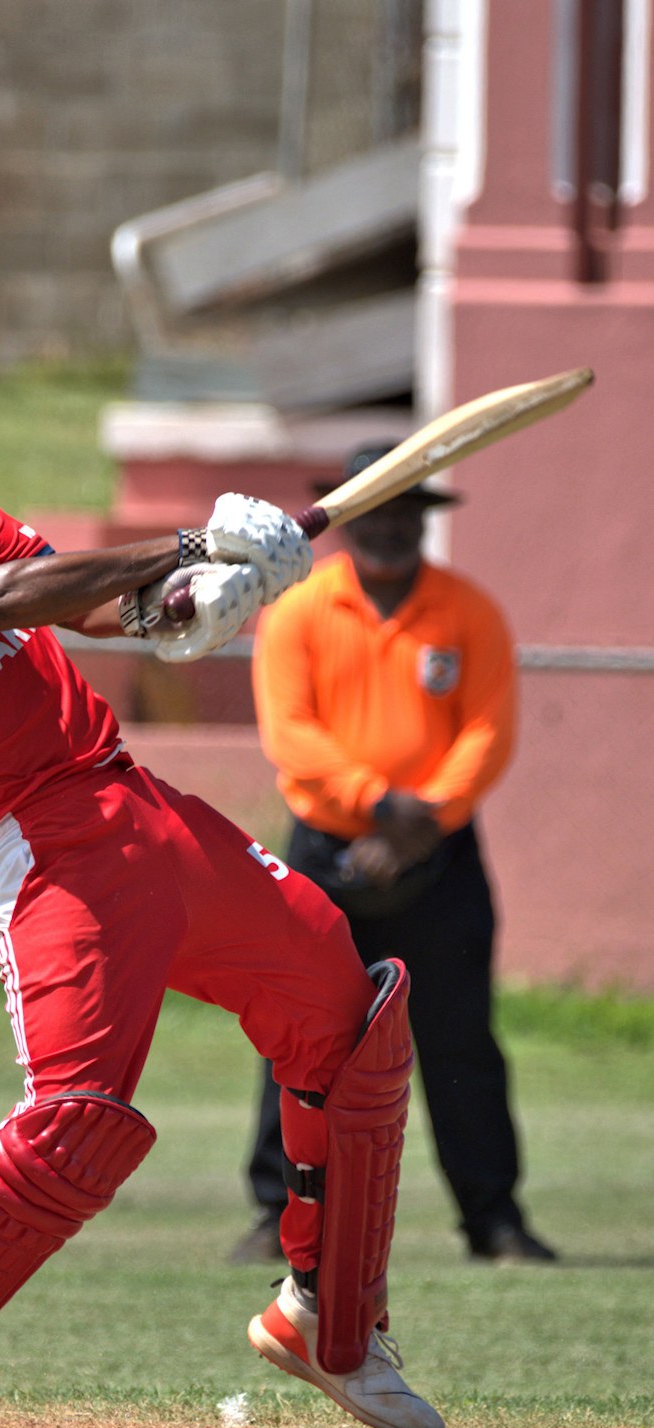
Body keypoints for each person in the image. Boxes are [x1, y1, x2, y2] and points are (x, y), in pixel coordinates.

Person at [0, 335, 446, 1428]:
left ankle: (332, 1325)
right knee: (73, 1121)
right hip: (29, 844)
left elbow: (76, 608)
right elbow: (3, 594)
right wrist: (185, 541)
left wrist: (189, 603)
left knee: (342, 1004)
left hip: (125, 796)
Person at [230, 444, 555, 1269]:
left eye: (405, 508)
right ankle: (280, 1213)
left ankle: (493, 1221)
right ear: (345, 518)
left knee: (458, 1040)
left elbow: (487, 731)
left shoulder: (466, 610)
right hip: (325, 847)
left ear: (423, 518)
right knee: (304, 1038)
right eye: (372, 508)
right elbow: (291, 735)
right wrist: (377, 803)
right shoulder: (298, 610)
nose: (389, 525)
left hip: (438, 851)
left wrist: (422, 820)